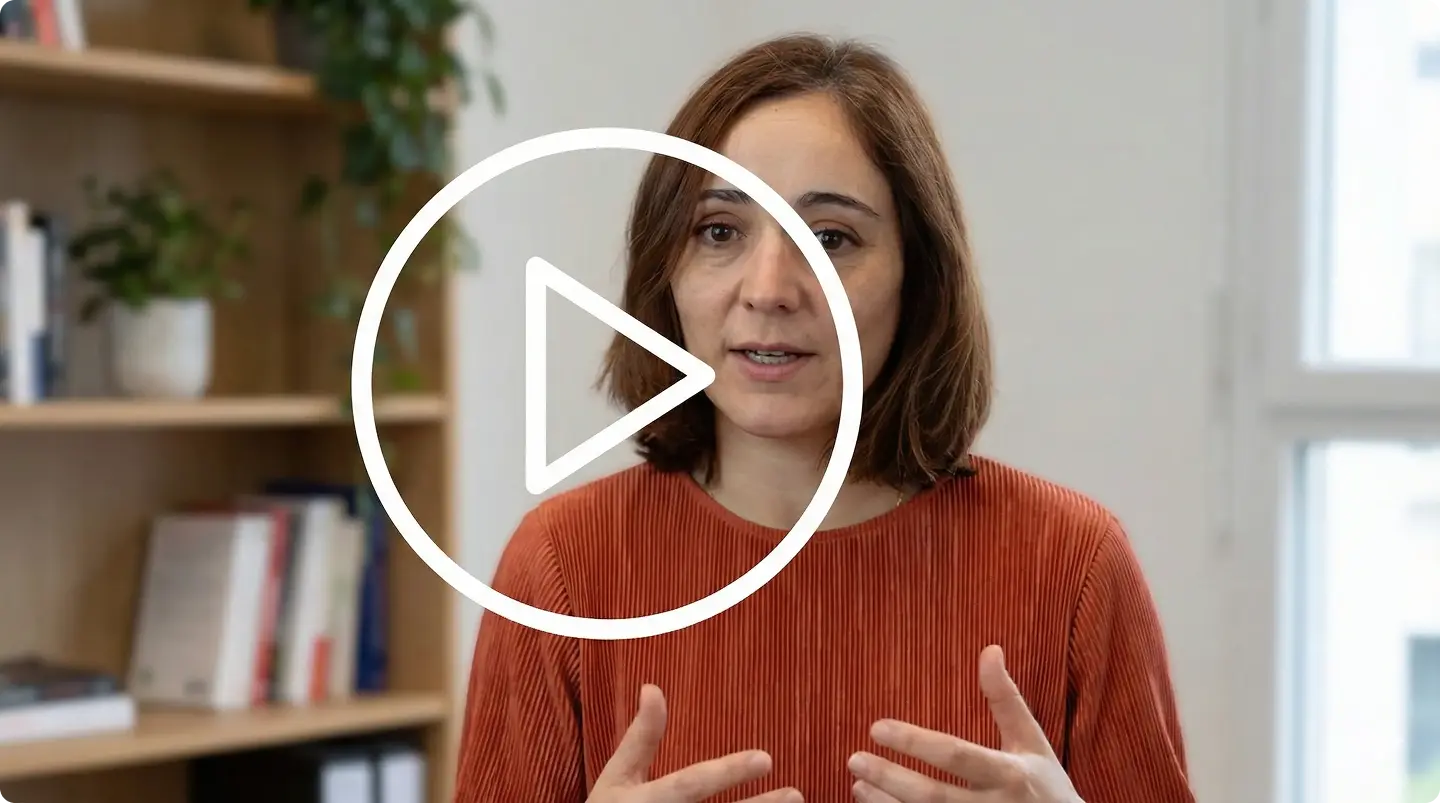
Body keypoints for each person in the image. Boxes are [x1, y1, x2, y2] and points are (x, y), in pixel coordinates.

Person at [454, 32, 1196, 803]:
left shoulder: (1074, 565)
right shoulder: (562, 570)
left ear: (919, 275)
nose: (770, 288)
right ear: (665, 269)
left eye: (831, 237)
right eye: (719, 231)